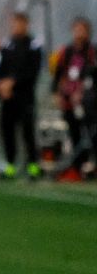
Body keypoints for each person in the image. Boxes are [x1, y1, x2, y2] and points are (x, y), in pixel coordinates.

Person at [0, 11, 43, 180]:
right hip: (8, 98)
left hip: (25, 96)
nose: (16, 26)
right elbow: (0, 68)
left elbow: (33, 72)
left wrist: (13, 82)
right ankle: (10, 167)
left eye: (19, 23)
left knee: (27, 132)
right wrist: (1, 84)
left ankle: (33, 168)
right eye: (14, 23)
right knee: (7, 131)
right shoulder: (8, 44)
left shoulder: (33, 45)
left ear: (26, 24)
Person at [52, 17, 97, 181]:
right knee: (74, 134)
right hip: (68, 101)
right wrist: (57, 93)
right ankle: (78, 169)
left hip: (88, 102)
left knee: (91, 134)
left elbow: (91, 74)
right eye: (76, 29)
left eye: (82, 30)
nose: (79, 33)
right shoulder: (66, 51)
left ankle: (91, 166)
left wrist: (83, 92)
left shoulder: (91, 51)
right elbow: (58, 74)